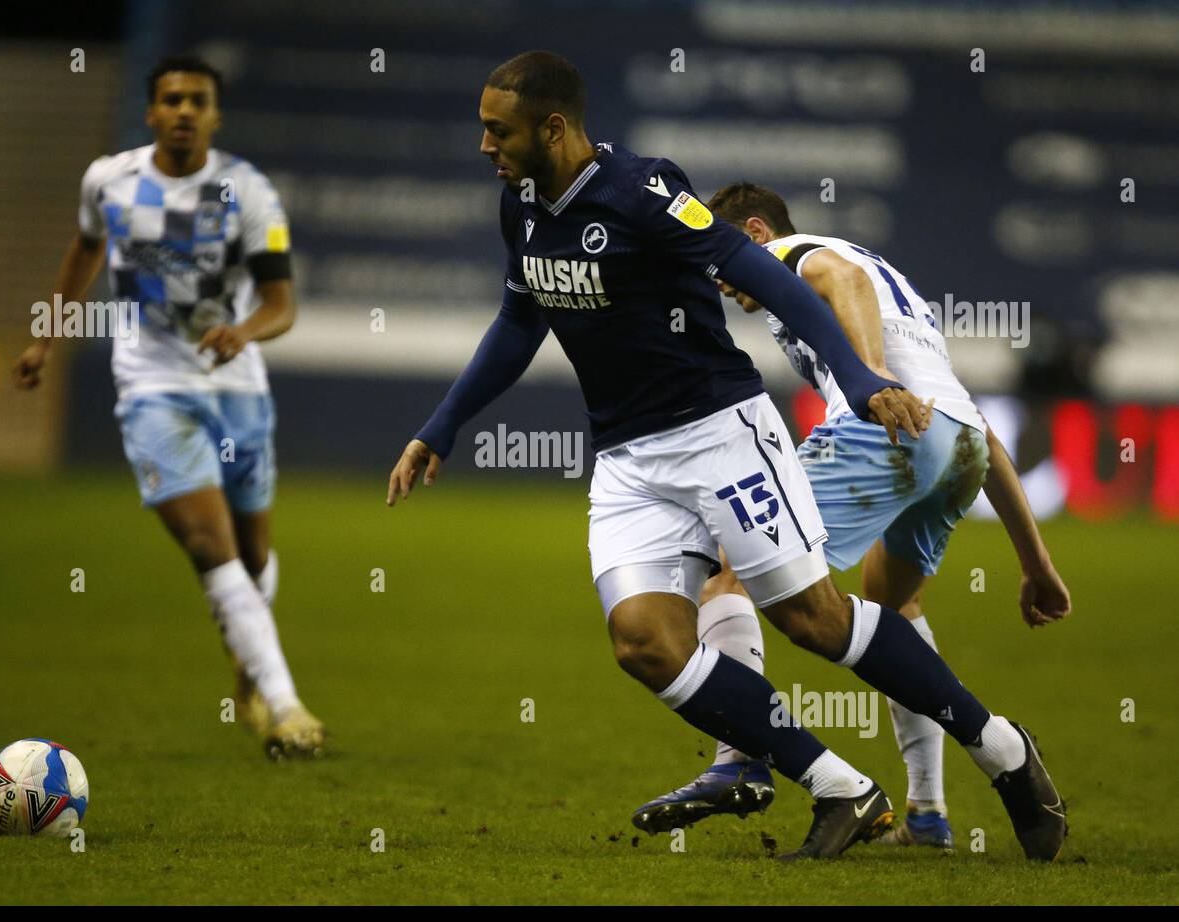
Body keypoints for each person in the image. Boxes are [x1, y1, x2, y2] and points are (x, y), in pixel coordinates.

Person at [387, 51, 1064, 860]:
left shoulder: (642, 191)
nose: (485, 145)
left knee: (814, 620)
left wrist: (854, 376)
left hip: (720, 433)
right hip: (628, 461)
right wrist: (443, 424)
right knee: (644, 640)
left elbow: (753, 268)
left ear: (554, 127)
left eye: (498, 130)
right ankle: (839, 785)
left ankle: (1001, 749)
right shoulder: (522, 207)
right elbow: (518, 321)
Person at [632, 183, 1071, 853]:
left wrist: (866, 379)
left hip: (884, 429)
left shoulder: (794, 254)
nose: (719, 280)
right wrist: (1036, 563)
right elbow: (976, 427)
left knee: (732, 567)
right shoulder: (904, 297)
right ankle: (929, 813)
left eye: (719, 257)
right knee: (893, 609)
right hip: (957, 446)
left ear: (754, 232)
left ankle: (738, 758)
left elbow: (840, 278)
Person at [12, 54, 324, 759]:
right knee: (211, 548)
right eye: (172, 99)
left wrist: (241, 331)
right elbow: (84, 251)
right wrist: (46, 338)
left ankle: (246, 668)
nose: (184, 110)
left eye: (198, 100)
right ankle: (287, 705)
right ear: (151, 112)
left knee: (254, 554)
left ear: (215, 115)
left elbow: (281, 304)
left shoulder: (247, 192)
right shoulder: (109, 180)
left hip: (237, 388)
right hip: (153, 386)